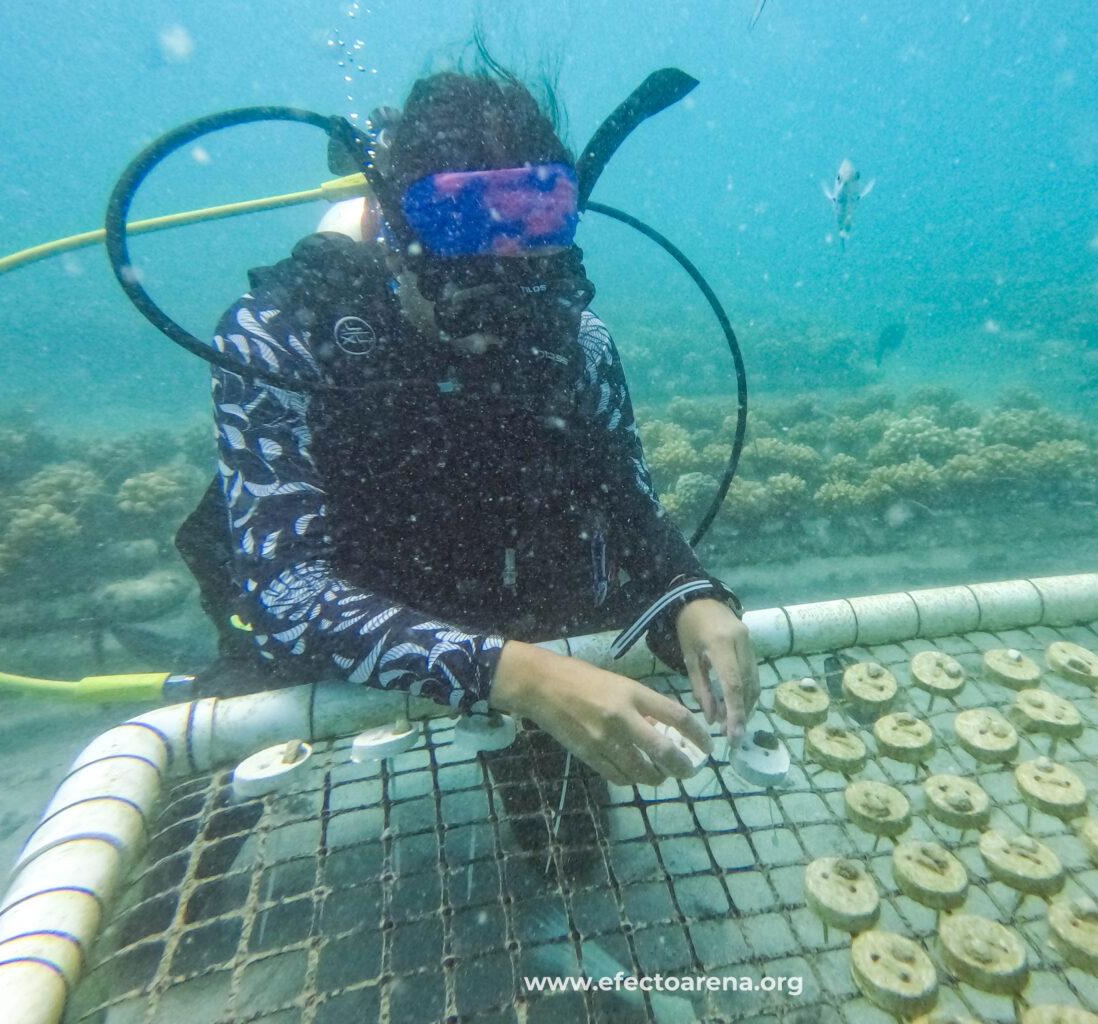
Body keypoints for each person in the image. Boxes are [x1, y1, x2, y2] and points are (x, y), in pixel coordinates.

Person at [175, 58, 758, 812]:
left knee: (568, 855)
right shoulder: (284, 335)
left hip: (513, 608)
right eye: (470, 298)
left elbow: (628, 503)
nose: (499, 335)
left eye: (529, 289)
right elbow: (288, 594)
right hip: (343, 620)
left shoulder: (576, 339)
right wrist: (524, 678)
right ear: (391, 238)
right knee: (195, 824)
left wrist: (692, 595)